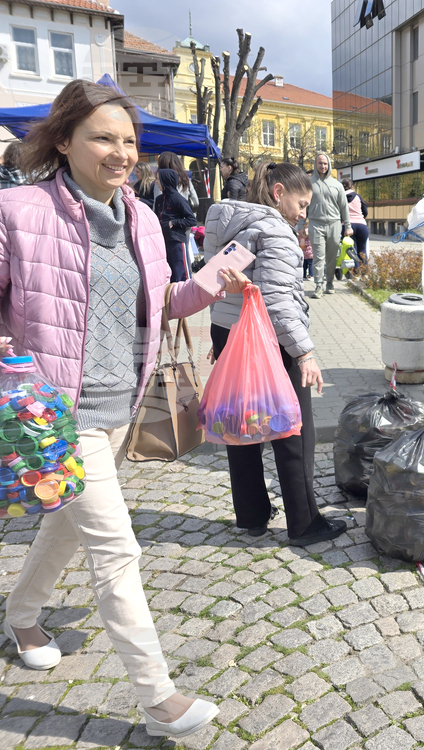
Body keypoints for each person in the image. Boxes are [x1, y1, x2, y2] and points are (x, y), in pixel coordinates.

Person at [0, 79, 249, 738]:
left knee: (65, 525)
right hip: (57, 414)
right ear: (63, 140)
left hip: (121, 406)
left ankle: (21, 614)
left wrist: (215, 279)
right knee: (116, 549)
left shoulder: (138, 215)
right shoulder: (19, 210)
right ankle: (157, 697)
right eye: (103, 137)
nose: (121, 152)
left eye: (129, 140)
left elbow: (162, 301)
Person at [203, 161, 347, 546]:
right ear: (279, 192)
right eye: (301, 205)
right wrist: (306, 354)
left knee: (243, 422)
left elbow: (210, 281)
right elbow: (279, 303)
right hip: (269, 339)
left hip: (228, 331)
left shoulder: (227, 223)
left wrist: (221, 340)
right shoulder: (277, 234)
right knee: (294, 428)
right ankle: (305, 523)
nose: (303, 215)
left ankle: (251, 514)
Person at [307, 152, 351, 298]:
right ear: (315, 164)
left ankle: (330, 283)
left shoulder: (337, 185)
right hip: (315, 223)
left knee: (332, 257)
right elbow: (303, 205)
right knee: (318, 257)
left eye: (325, 164)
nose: (323, 166)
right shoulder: (309, 183)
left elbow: (344, 207)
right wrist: (301, 225)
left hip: (334, 224)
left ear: (329, 165)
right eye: (320, 163)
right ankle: (318, 286)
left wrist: (348, 226)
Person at [154, 168, 198, 282]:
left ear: (165, 180)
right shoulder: (159, 199)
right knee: (169, 275)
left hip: (177, 241)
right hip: (163, 242)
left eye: (158, 179)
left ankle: (187, 298)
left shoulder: (178, 199)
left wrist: (173, 222)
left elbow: (192, 220)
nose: (156, 181)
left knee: (181, 274)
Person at [342, 177, 369, 269]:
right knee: (362, 249)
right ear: (352, 187)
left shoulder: (340, 197)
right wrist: (361, 218)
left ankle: (355, 271)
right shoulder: (358, 196)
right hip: (361, 225)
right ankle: (365, 271)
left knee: (352, 250)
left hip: (347, 226)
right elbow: (365, 210)